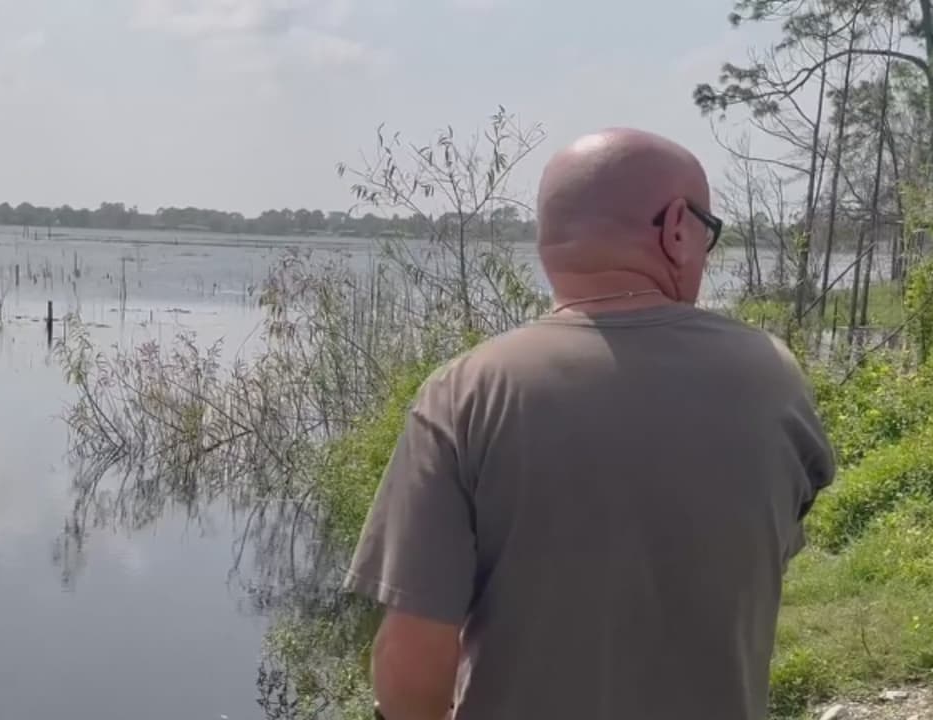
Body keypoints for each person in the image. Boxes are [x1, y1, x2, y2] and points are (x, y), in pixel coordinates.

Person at [344, 128, 836, 720]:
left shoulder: (466, 392)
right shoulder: (773, 377)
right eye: (708, 232)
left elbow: (413, 659)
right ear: (677, 227)